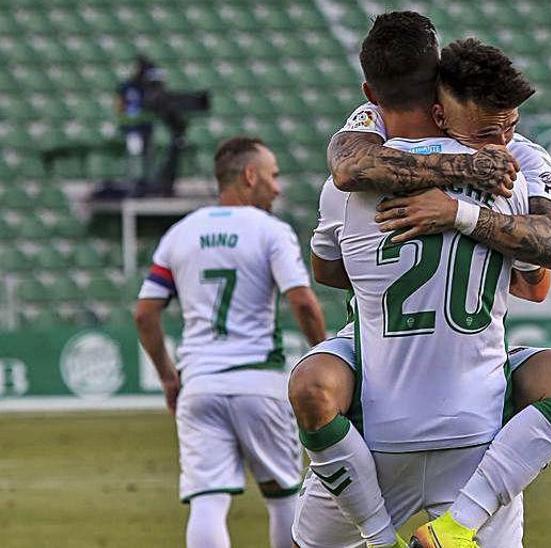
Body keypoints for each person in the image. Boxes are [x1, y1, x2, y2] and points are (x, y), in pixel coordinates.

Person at [290, 20, 551, 548]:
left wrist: (447, 216)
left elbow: (328, 267)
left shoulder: (352, 177)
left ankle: (381, 538)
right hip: (475, 425)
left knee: (314, 393)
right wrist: (472, 192)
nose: (499, 141)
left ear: (372, 93)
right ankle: (450, 527)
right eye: (491, 132)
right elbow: (540, 277)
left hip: (378, 424)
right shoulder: (515, 172)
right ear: (437, 92)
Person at [133, 136, 328, 548]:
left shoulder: (180, 233)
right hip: (258, 379)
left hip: (199, 383)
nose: (277, 188)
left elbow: (145, 312)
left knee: (208, 501)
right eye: (273, 177)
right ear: (249, 175)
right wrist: (324, 359)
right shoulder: (272, 232)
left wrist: (169, 378)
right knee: (283, 498)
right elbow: (304, 303)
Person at [117, 56, 160, 186]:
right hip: (132, 126)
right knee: (134, 152)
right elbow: (120, 104)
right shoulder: (128, 86)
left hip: (145, 124)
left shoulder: (148, 86)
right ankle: (133, 181)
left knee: (148, 153)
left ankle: (147, 181)